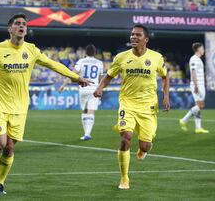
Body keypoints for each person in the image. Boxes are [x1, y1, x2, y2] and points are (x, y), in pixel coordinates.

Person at [0, 13, 92, 195]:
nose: (21, 26)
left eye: (24, 24)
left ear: (26, 29)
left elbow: (53, 64)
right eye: (17, 23)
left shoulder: (32, 50)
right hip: (1, 106)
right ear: (10, 29)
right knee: (0, 143)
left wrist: (76, 77)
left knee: (10, 148)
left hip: (20, 108)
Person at [94, 24, 170, 190]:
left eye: (138, 35)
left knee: (145, 145)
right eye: (132, 35)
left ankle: (143, 151)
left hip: (148, 106)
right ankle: (124, 178)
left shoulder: (156, 57)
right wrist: (100, 88)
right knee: (125, 137)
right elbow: (108, 76)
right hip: (127, 103)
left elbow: (165, 76)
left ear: (146, 39)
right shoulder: (121, 57)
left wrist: (165, 96)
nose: (134, 37)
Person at [59, 44, 104, 141]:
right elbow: (101, 78)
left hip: (83, 88)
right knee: (91, 111)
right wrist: (101, 89)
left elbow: (72, 74)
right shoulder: (100, 63)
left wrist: (63, 85)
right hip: (94, 89)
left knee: (84, 111)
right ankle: (88, 133)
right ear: (95, 52)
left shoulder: (81, 61)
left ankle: (85, 133)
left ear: (85, 52)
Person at [179, 43, 209, 134]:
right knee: (200, 106)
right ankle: (184, 120)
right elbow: (193, 72)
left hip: (200, 84)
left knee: (199, 107)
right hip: (197, 84)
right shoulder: (194, 59)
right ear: (198, 49)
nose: (203, 50)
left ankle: (198, 127)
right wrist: (195, 85)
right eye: (202, 48)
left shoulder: (198, 59)